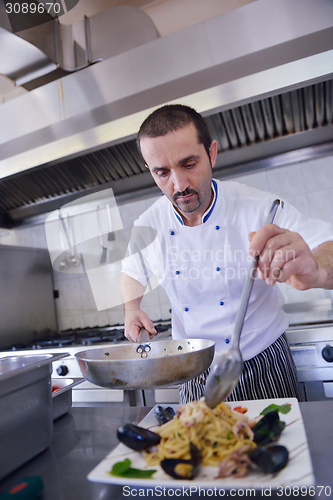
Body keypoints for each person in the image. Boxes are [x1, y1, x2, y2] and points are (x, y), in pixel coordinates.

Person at [120, 104, 333, 404]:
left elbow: (328, 245)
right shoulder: (148, 224)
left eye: (189, 164)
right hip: (192, 367)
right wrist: (132, 308)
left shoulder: (259, 208)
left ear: (212, 153)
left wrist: (317, 270)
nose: (179, 185)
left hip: (263, 362)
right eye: (162, 172)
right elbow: (131, 270)